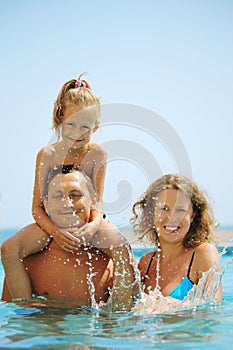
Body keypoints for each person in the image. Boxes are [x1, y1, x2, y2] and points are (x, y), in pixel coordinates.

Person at [1, 74, 116, 300]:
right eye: (71, 124)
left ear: (96, 126)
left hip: (88, 221)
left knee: (121, 248)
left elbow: (98, 204)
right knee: (7, 249)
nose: (77, 133)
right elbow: (36, 208)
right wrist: (56, 233)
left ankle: (120, 314)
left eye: (85, 127)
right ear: (59, 121)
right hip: (50, 224)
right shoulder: (48, 154)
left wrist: (92, 227)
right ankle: (26, 308)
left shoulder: (98, 154)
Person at [2, 166, 135, 311]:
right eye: (58, 196)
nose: (67, 203)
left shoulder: (118, 260)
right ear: (46, 205)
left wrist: (120, 251)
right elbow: (13, 317)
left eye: (76, 194)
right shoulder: (26, 264)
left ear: (93, 200)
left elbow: (128, 317)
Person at [131, 174, 222, 307]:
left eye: (180, 210)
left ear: (192, 216)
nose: (172, 217)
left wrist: (173, 304)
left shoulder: (203, 254)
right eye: (164, 208)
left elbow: (213, 307)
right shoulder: (147, 263)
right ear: (152, 213)